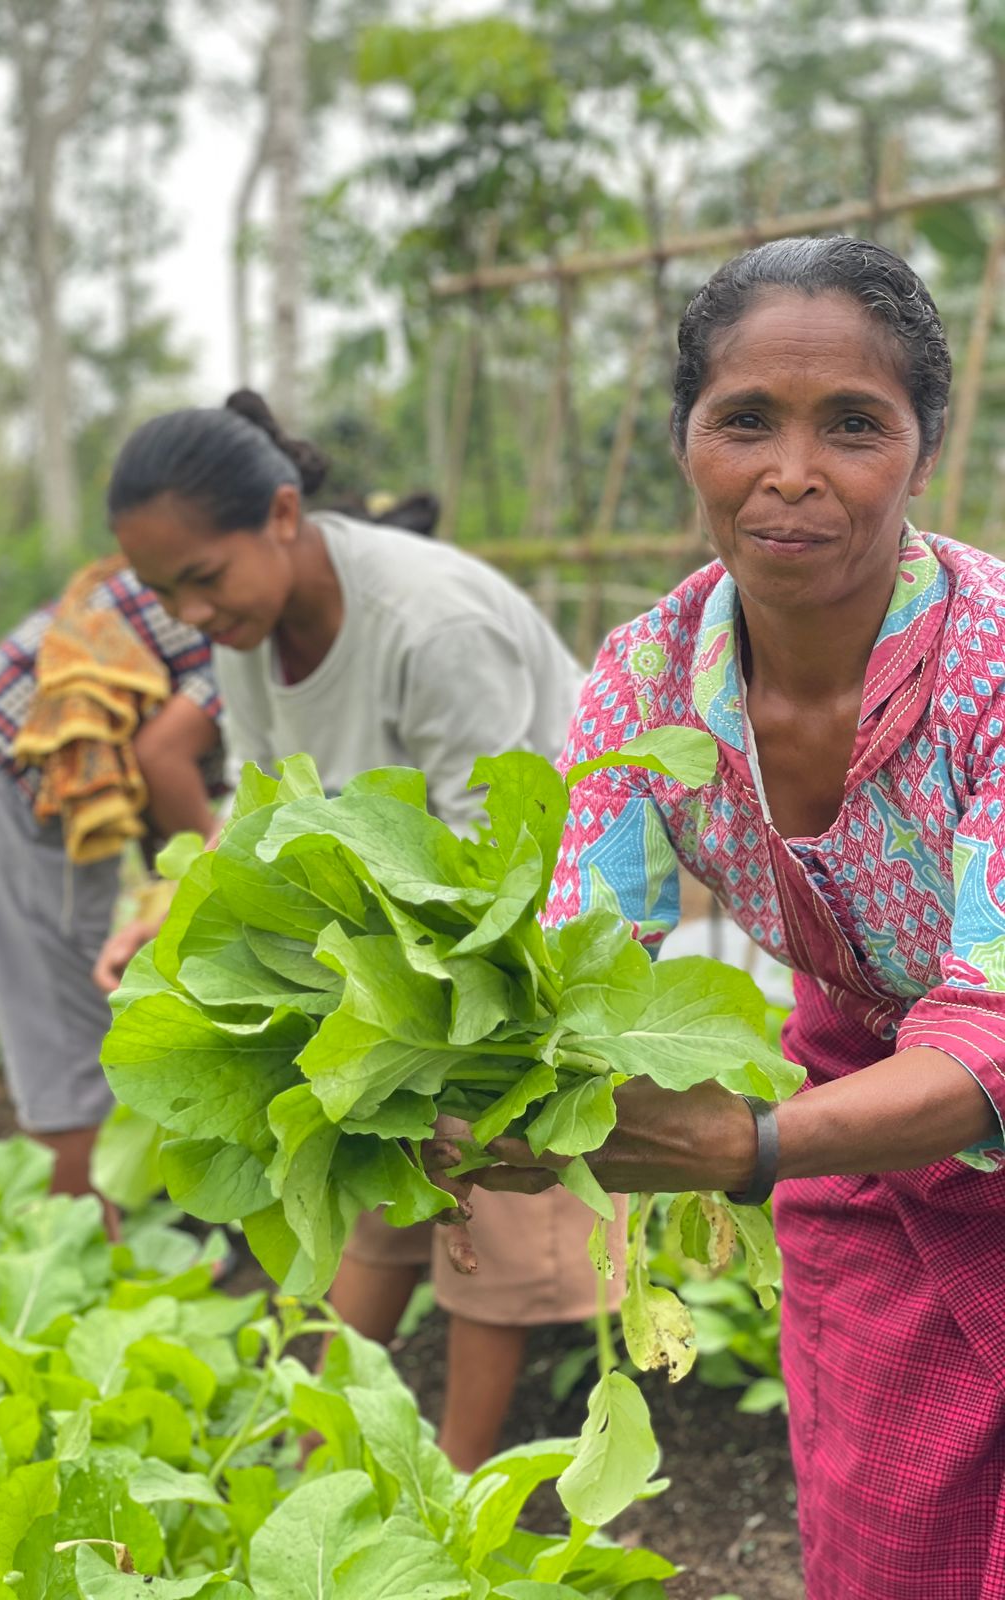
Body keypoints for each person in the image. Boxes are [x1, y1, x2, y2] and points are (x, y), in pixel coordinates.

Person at [468, 237, 1005, 1599]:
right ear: (685, 441)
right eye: (746, 420)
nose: (793, 473)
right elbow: (590, 957)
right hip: (866, 1137)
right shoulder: (650, 675)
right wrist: (467, 1071)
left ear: (923, 451)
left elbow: (993, 1024)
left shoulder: (993, 661)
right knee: (889, 1547)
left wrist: (742, 1143)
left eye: (854, 426)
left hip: (863, 1114)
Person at [97, 389, 625, 1472]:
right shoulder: (245, 635)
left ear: (282, 513)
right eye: (164, 594)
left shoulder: (428, 623)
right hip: (408, 921)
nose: (192, 612)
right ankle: (321, 1457)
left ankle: (457, 1493)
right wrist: (183, 933)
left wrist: (399, 995)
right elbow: (267, 822)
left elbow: (499, 848)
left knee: (494, 1190)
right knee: (368, 1172)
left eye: (203, 578)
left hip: (547, 898)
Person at [0, 557, 223, 1200]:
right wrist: (217, 885)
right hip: (8, 780)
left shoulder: (218, 561)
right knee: (66, 1031)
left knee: (74, 1013)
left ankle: (98, 1231)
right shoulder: (238, 594)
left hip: (16, 779)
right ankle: (81, 1247)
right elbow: (162, 753)